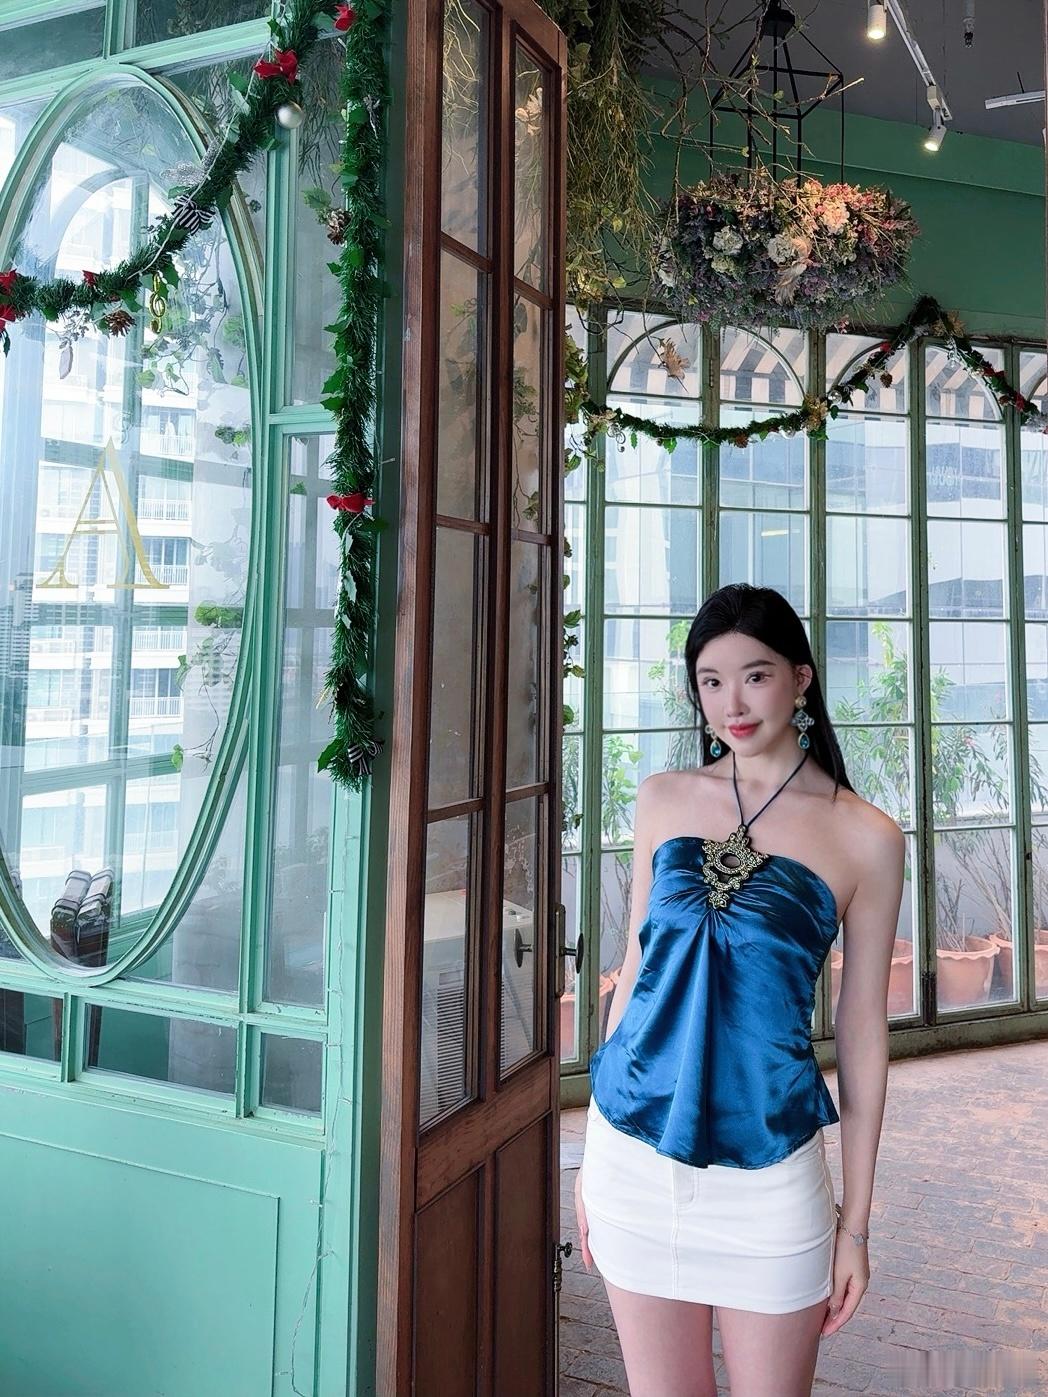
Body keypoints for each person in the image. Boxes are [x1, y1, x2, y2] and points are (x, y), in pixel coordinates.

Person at [574, 583, 905, 1397]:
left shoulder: (866, 835)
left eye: (755, 675)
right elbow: (634, 971)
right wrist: (587, 1155)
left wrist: (856, 1225)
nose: (733, 703)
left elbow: (862, 1031)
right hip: (632, 1162)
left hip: (770, 1178)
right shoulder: (664, 797)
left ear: (802, 677)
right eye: (711, 681)